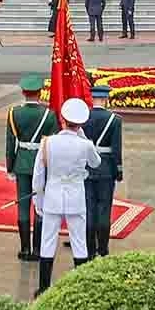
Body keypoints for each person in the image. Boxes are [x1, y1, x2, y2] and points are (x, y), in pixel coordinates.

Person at [33, 96, 99, 293]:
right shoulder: (85, 145)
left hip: (52, 195)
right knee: (79, 241)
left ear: (62, 119)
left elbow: (39, 174)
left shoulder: (48, 143)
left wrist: (39, 197)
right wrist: (85, 139)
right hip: (75, 197)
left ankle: (44, 287)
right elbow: (96, 163)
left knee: (47, 241)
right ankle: (81, 288)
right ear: (81, 124)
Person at [4, 73, 52, 259]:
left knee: (23, 205)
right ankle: (38, 249)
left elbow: (10, 143)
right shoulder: (49, 115)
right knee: (40, 206)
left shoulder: (14, 113)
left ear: (23, 92)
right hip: (42, 163)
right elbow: (51, 144)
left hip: (22, 162)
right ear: (40, 93)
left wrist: (10, 167)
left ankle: (24, 249)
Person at [81, 84, 122, 259]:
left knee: (89, 208)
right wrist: (118, 170)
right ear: (105, 99)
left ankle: (89, 250)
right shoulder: (114, 119)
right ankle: (103, 248)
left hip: (87, 168)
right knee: (104, 208)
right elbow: (116, 149)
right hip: (106, 169)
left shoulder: (84, 118)